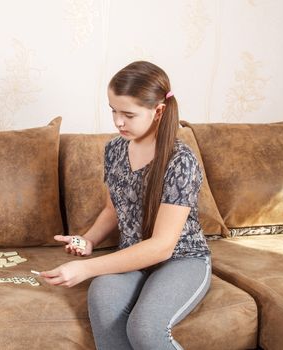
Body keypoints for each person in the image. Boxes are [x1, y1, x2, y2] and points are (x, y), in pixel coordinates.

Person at [41, 61, 211, 350]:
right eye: (113, 110)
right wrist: (90, 240)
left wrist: (86, 269)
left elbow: (161, 247)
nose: (118, 121)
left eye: (128, 114)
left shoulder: (181, 161)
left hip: (183, 260)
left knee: (144, 328)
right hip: (132, 256)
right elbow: (113, 210)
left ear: (158, 111)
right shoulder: (114, 149)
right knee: (103, 298)